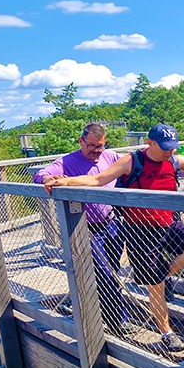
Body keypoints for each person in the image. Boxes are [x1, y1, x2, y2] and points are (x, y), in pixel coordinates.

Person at [44, 123, 184, 352]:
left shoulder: (174, 161)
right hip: (140, 230)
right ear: (150, 143)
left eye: (173, 147)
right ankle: (167, 333)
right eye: (165, 147)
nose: (170, 152)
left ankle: (161, 272)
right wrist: (65, 181)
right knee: (156, 287)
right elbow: (97, 180)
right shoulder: (131, 162)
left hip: (169, 223)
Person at [34, 123, 130, 335]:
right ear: (80, 141)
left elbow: (132, 165)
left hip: (112, 224)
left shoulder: (111, 157)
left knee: (111, 271)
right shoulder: (67, 162)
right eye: (92, 146)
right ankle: (118, 320)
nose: (97, 151)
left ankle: (100, 312)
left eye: (100, 146)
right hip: (84, 228)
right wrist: (48, 179)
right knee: (105, 274)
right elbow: (42, 173)